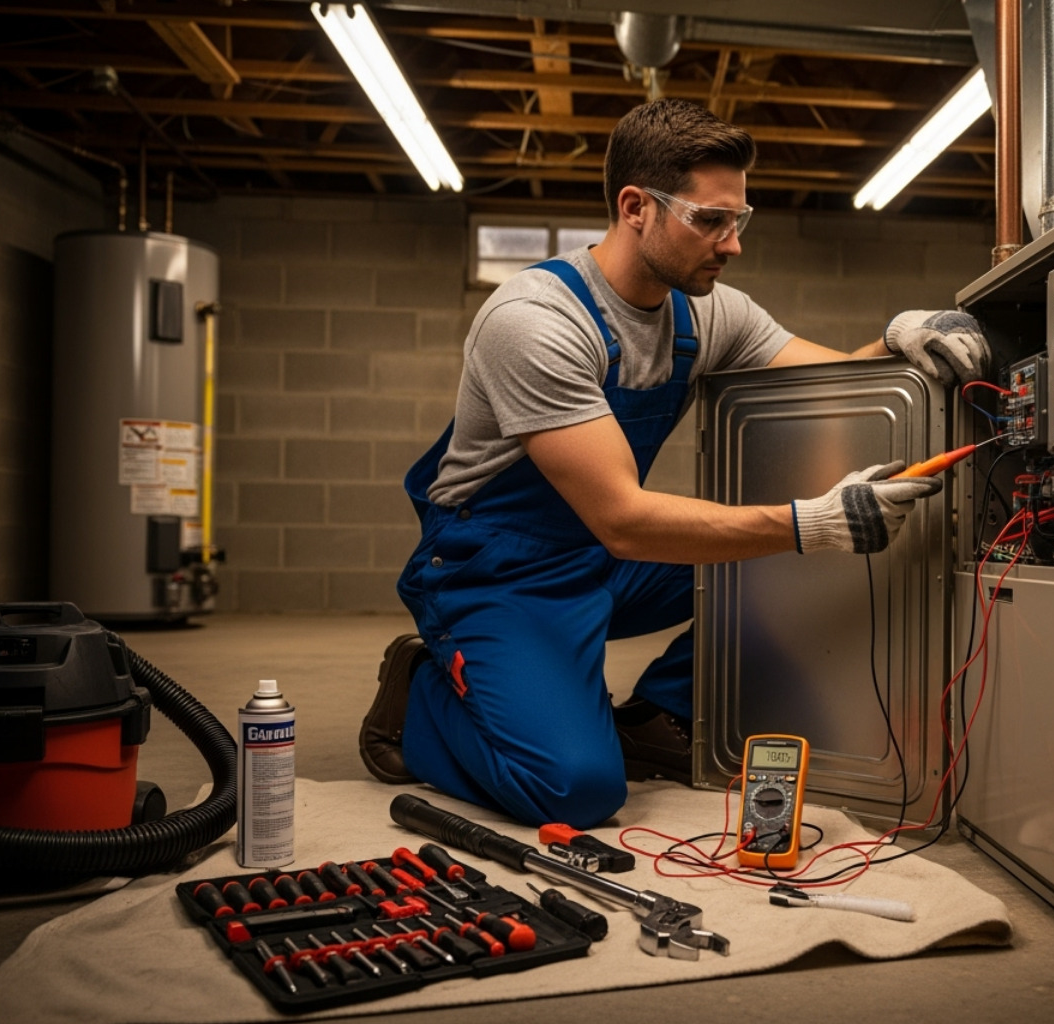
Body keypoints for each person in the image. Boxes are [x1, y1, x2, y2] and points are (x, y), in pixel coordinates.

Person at [360, 98, 991, 829]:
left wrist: (900, 339)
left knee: (784, 566)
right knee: (574, 789)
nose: (733, 244)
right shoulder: (534, 322)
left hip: (601, 558)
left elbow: (836, 386)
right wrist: (809, 523)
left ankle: (656, 714)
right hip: (500, 572)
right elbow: (625, 521)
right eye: (710, 220)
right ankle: (419, 695)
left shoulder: (709, 313)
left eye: (739, 219)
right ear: (636, 207)